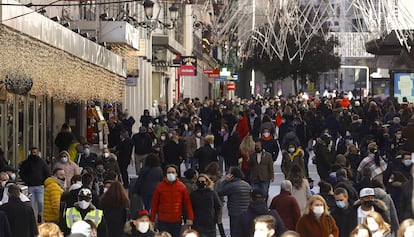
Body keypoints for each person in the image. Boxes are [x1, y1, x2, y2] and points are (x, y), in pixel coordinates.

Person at [150, 164, 194, 237]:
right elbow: (154, 204)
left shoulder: (182, 187)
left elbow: (187, 203)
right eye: (169, 172)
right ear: (165, 174)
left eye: (173, 172)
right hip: (163, 221)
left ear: (176, 174)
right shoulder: (159, 187)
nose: (171, 174)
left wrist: (190, 217)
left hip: (176, 221)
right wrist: (152, 219)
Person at [217, 166, 252, 237]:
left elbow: (219, 191)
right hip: (246, 212)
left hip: (235, 212)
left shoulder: (232, 186)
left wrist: (225, 181)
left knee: (235, 232)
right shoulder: (247, 185)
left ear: (232, 175)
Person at [19, 147, 51, 223]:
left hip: (40, 186)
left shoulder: (42, 162)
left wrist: (45, 181)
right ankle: (33, 218)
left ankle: (40, 214)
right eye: (33, 152)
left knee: (40, 202)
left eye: (35, 152)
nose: (34, 154)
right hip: (30, 186)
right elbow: (22, 173)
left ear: (38, 153)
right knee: (32, 203)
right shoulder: (26, 162)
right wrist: (26, 181)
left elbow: (47, 172)